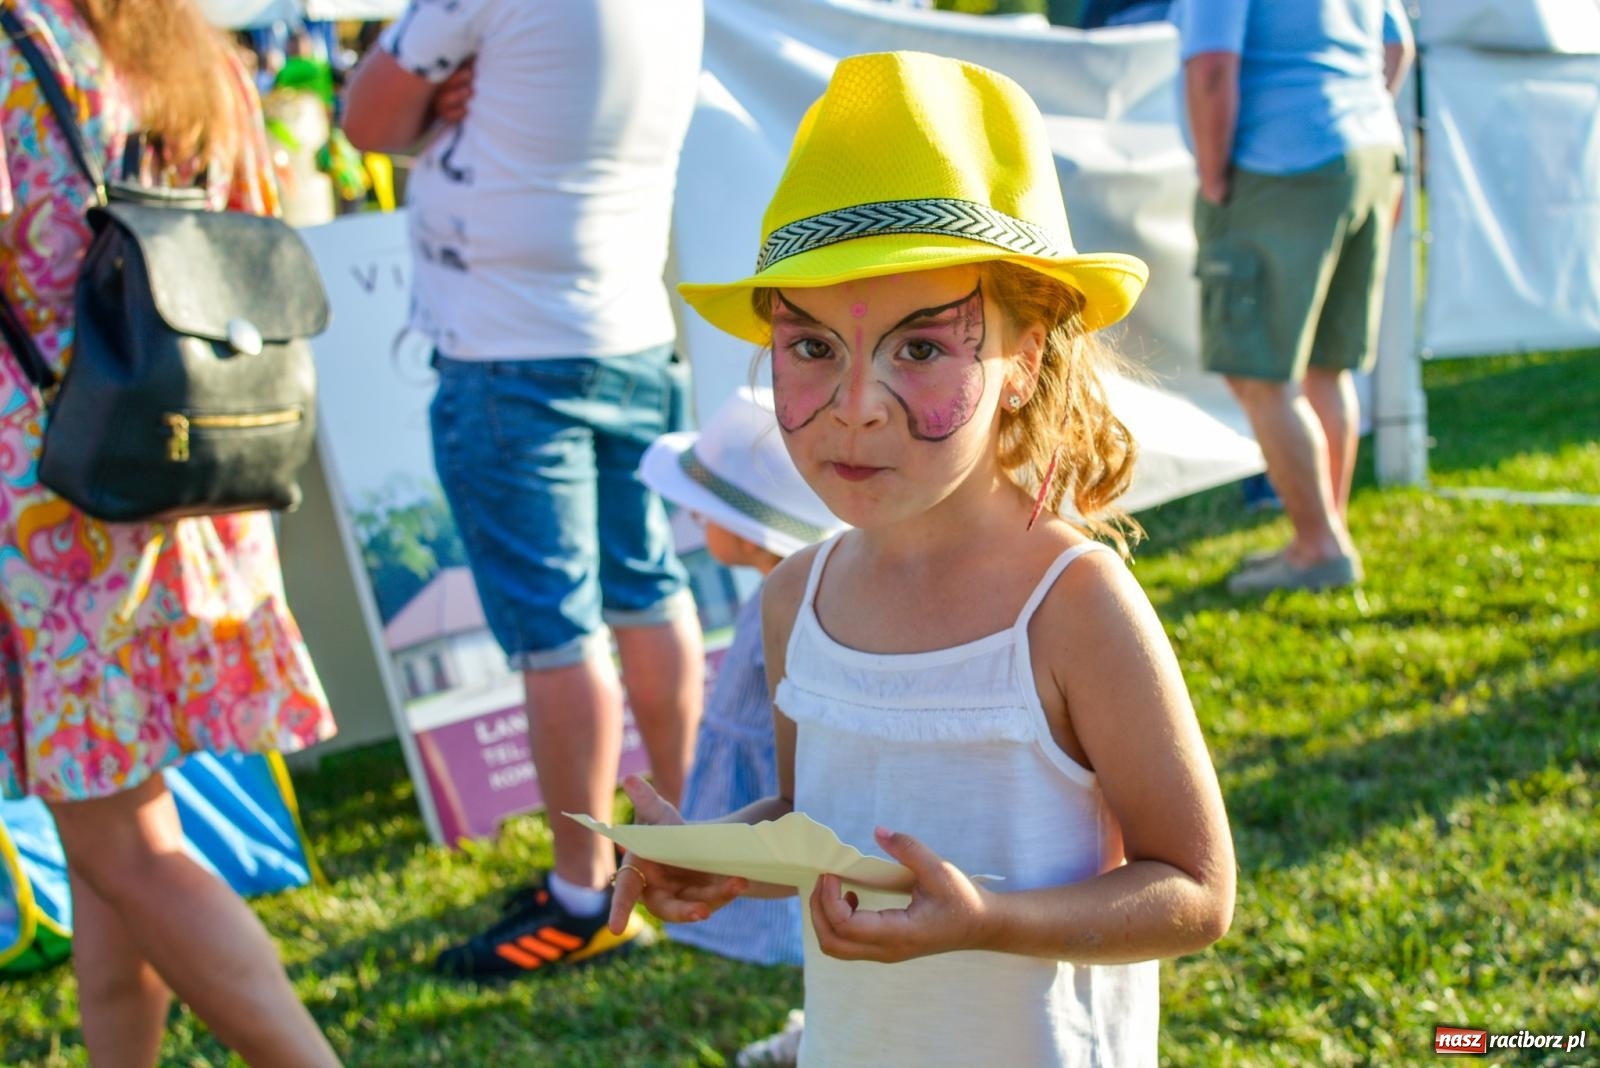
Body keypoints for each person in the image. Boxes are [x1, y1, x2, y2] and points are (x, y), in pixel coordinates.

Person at [609, 51, 1235, 1066]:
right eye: (812, 348)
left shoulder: (1071, 607)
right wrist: (725, 860)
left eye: (921, 348)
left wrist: (988, 917)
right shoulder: (792, 601)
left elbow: (1197, 892)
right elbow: (832, 830)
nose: (856, 406)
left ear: (1023, 362)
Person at [0, 2, 339, 1064]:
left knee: (124, 843)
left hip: (51, 493)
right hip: (181, 466)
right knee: (110, 843)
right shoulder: (186, 46)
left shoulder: (17, 46)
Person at [340, 0, 706, 979]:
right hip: (626, 328)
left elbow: (365, 122)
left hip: (506, 351)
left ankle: (583, 894)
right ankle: (695, 849)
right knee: (647, 591)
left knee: (559, 633)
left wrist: (435, 102)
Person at [1176, 0, 1413, 594]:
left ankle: (1318, 546)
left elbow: (1209, 70)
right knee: (1325, 370)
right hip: (1370, 151)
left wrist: (1213, 180)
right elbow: (1396, 47)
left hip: (1280, 162)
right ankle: (1323, 535)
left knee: (1261, 378)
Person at [640, 386, 845, 1068]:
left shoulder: (788, 601)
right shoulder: (779, 590)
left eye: (711, 507)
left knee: (826, 924)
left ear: (755, 526)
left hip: (783, 791)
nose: (695, 515)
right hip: (766, 788)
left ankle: (828, 1034)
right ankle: (821, 1027)